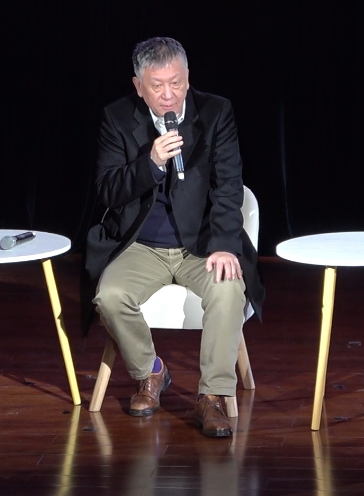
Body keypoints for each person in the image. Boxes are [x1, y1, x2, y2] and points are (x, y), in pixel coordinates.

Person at [81, 37, 265, 437]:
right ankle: (151, 372)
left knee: (229, 289)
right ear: (139, 86)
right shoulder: (117, 118)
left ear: (187, 78)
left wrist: (224, 244)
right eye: (158, 85)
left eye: (176, 83)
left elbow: (229, 186)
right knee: (110, 297)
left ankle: (212, 396)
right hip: (141, 246)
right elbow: (108, 190)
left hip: (202, 245)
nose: (169, 95)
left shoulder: (215, 112)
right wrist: (150, 162)